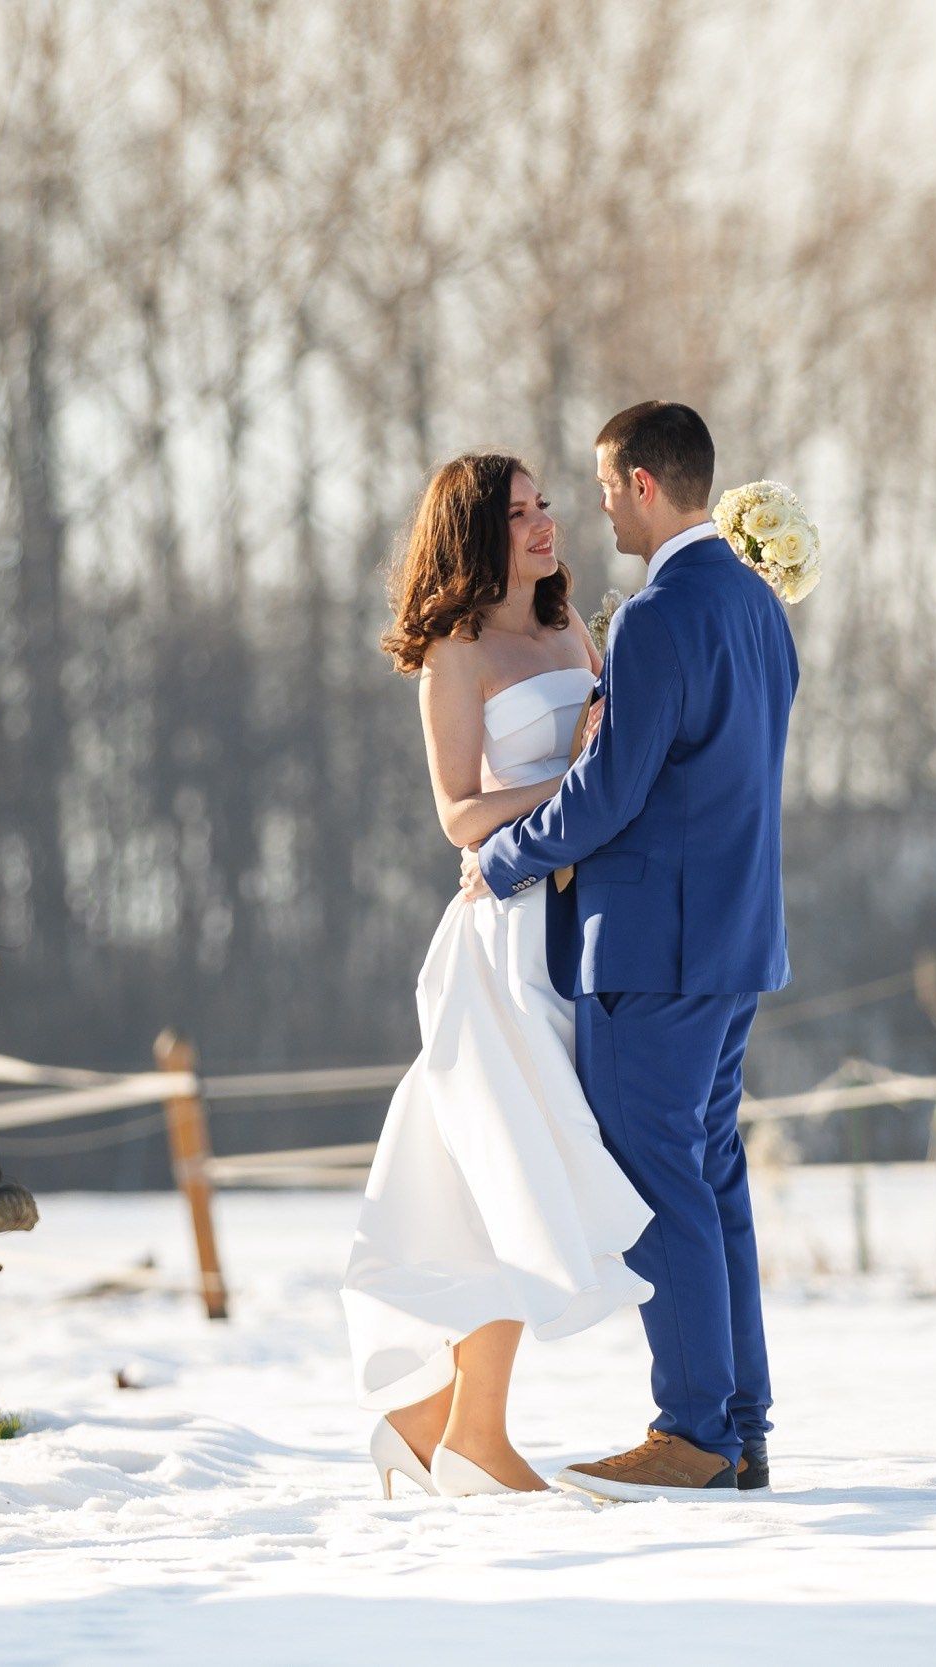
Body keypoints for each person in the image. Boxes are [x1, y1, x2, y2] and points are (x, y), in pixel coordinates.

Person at [460, 401, 798, 1502]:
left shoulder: (658, 616)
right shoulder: (758, 606)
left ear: (646, 484)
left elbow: (612, 791)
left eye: (604, 487)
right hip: (738, 939)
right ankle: (740, 1424)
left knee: (660, 1182)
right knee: (711, 1180)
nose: (596, 506)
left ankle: (692, 1430)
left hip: (654, 948)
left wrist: (505, 857)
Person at [343, 451, 655, 1498]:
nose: (542, 525)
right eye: (516, 513)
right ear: (474, 532)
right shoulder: (455, 652)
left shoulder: (573, 628)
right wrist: (575, 789)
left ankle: (445, 1420)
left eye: (544, 505)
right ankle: (460, 1429)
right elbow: (459, 817)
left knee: (500, 1174)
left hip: (583, 924)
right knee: (508, 1164)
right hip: (504, 934)